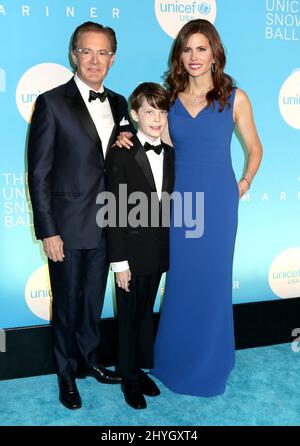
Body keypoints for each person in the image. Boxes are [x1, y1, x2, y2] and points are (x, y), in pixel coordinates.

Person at [116, 19, 263, 397]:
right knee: (181, 283)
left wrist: (242, 185)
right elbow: (155, 139)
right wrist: (125, 136)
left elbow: (255, 148)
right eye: (187, 48)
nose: (194, 56)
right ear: (179, 55)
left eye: (201, 48)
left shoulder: (236, 97)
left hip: (218, 204)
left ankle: (212, 362)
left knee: (213, 283)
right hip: (180, 206)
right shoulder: (169, 99)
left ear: (214, 52)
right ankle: (175, 360)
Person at [28, 21, 134, 410]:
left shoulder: (121, 103)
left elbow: (121, 158)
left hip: (109, 223)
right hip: (67, 227)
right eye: (86, 51)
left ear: (112, 58)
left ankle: (90, 361)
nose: (94, 60)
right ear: (74, 54)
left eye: (102, 52)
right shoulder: (52, 102)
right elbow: (38, 172)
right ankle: (66, 374)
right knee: (67, 303)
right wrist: (48, 231)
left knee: (92, 301)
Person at [105, 83, 175, 409]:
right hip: (130, 256)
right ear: (134, 115)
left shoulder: (172, 153)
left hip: (158, 251)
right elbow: (114, 208)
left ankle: (140, 370)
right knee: (129, 316)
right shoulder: (121, 151)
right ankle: (128, 377)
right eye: (149, 111)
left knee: (146, 314)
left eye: (161, 111)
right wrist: (119, 262)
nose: (156, 118)